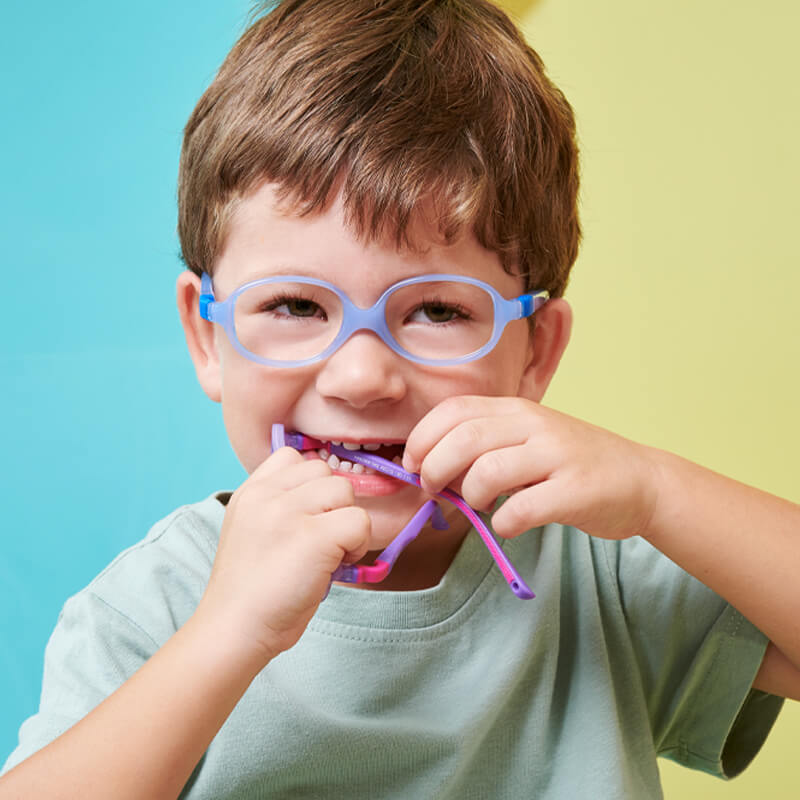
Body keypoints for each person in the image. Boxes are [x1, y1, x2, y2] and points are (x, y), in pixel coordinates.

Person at [2, 0, 799, 797]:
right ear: (207, 337)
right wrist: (228, 635)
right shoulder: (158, 604)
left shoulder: (601, 576)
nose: (360, 377)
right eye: (295, 307)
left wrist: (658, 492)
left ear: (537, 353)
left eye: (438, 312)